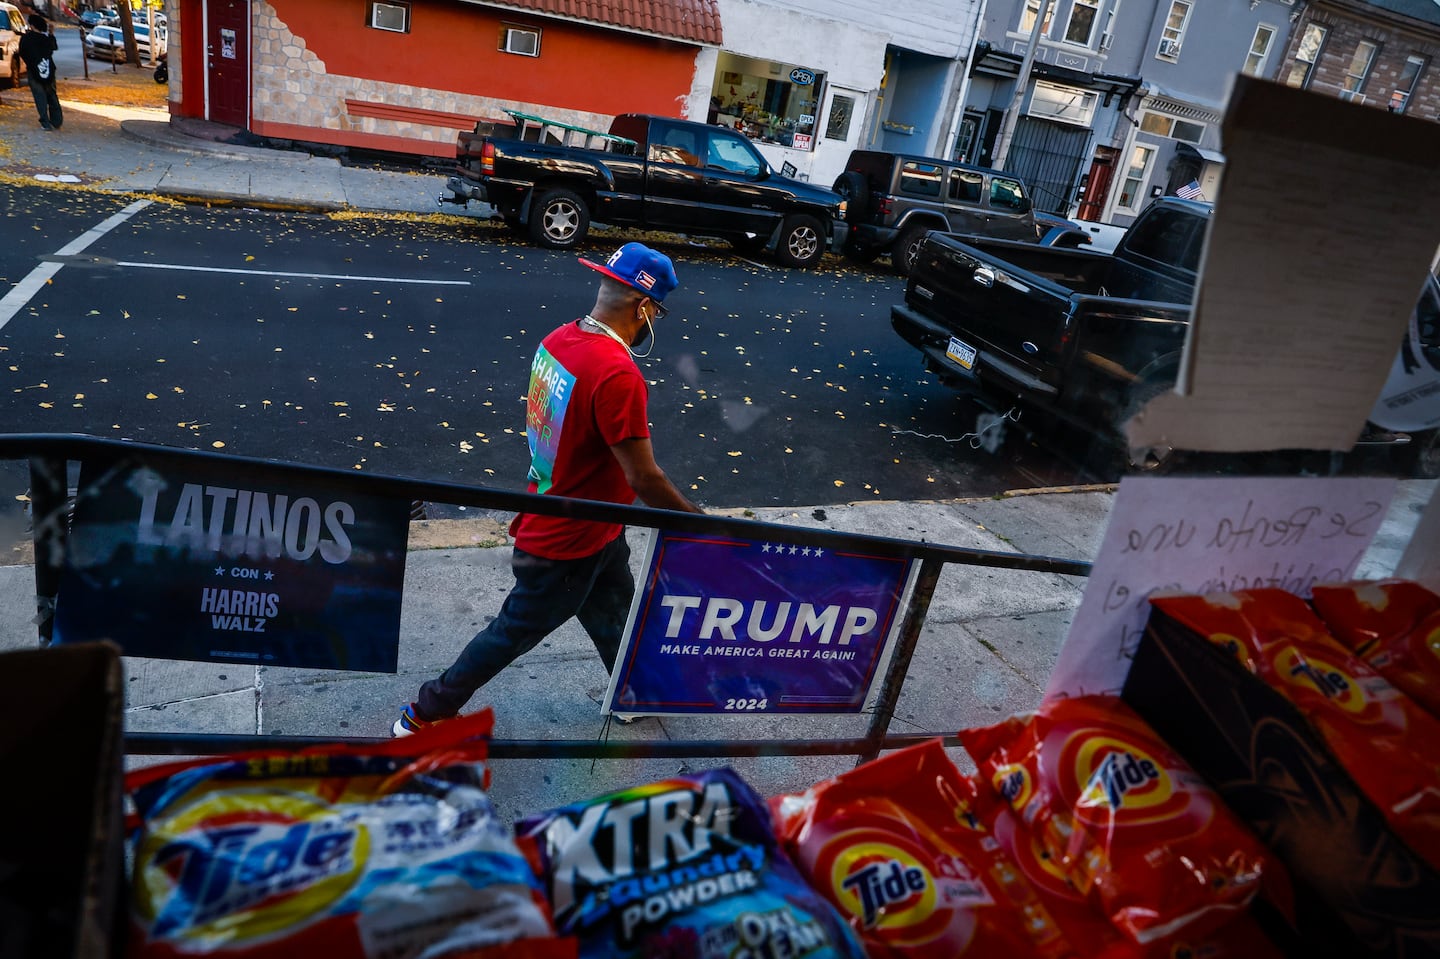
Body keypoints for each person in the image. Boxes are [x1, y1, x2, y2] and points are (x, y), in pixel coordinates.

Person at [394, 243, 705, 736]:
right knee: (511, 632)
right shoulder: (618, 373)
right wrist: (695, 521)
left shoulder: (558, 340)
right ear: (644, 307)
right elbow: (643, 477)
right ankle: (425, 713)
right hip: (567, 540)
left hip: (589, 522)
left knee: (616, 610)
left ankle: (632, 691)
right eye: (657, 312)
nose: (655, 323)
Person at [19, 14, 63, 132]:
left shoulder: (26, 38)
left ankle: (45, 122)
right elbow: (53, 48)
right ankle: (57, 120)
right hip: (48, 70)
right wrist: (51, 33)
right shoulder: (45, 39)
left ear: (32, 25)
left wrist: (30, 62)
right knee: (52, 95)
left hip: (33, 71)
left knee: (40, 97)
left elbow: (22, 52)